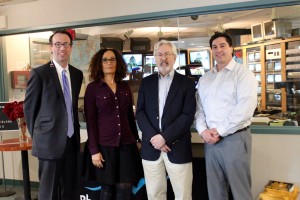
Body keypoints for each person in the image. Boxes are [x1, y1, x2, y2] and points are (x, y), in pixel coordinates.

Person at [194, 32, 258, 200]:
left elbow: (245, 108)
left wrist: (218, 132)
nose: (218, 50)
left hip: (234, 139)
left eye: (223, 45)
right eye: (214, 47)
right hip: (210, 142)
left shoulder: (243, 74)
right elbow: (199, 109)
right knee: (215, 192)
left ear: (231, 48)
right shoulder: (205, 78)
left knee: (240, 192)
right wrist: (203, 131)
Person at [24, 30, 83, 200]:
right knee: (49, 192)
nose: (62, 48)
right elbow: (30, 109)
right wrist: (40, 137)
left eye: (65, 44)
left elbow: (70, 107)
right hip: (49, 143)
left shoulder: (77, 74)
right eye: (57, 44)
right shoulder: (39, 73)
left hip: (71, 142)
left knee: (69, 190)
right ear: (50, 47)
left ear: (71, 48)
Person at [136, 40, 196, 200]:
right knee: (154, 195)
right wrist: (155, 139)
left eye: (167, 54)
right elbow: (140, 113)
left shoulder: (187, 83)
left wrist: (164, 137)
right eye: (160, 54)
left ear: (175, 57)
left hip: (178, 148)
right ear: (155, 58)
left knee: (183, 196)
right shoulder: (146, 82)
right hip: (151, 149)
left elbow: (188, 115)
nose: (163, 58)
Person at [82, 48, 142, 200]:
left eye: (113, 59)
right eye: (105, 60)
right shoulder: (92, 88)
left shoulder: (124, 86)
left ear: (118, 63)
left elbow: (129, 116)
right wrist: (94, 150)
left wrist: (136, 139)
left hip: (126, 145)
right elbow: (91, 121)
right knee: (107, 189)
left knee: (125, 188)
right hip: (104, 146)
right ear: (99, 64)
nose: (109, 62)